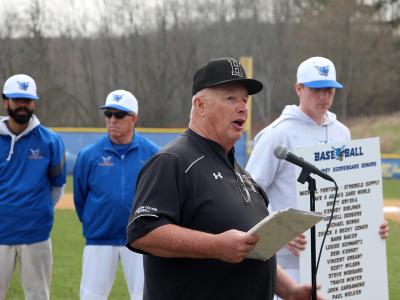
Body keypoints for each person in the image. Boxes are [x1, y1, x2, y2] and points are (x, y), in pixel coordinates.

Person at [126, 57, 324, 300]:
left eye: (244, 99)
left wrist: (290, 290)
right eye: (230, 98)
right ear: (200, 105)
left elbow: (253, 248)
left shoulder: (241, 173)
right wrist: (216, 246)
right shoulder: (173, 161)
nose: (242, 107)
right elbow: (144, 232)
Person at [246, 56, 389, 296]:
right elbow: (249, 193)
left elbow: (346, 191)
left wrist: (371, 223)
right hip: (287, 264)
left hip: (335, 261)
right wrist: (281, 230)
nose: (324, 97)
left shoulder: (341, 133)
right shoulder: (277, 134)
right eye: (316, 90)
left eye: (329, 90)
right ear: (299, 88)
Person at [73, 89, 159, 300]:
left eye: (119, 115)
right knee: (91, 296)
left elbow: (158, 196)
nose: (112, 120)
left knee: (143, 296)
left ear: (134, 118)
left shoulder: (152, 154)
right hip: (99, 239)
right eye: (108, 114)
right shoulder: (88, 155)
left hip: (140, 238)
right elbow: (80, 198)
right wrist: (96, 223)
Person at [0, 74, 67, 300]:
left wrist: (38, 211)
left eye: (27, 100)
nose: (22, 105)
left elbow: (57, 187)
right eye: (17, 99)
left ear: (34, 103)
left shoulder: (51, 141)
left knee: (38, 295)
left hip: (35, 234)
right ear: (5, 101)